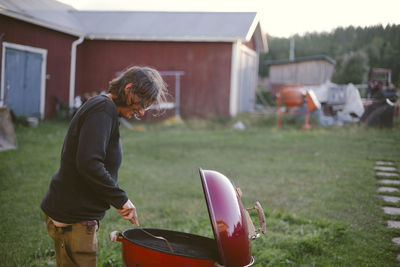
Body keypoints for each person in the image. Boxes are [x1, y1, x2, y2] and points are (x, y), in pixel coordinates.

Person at [41, 66, 168, 266]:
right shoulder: (102, 109)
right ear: (128, 90)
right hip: (74, 217)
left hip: (75, 213)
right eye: (142, 103)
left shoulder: (104, 110)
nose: (142, 112)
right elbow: (89, 163)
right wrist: (121, 199)